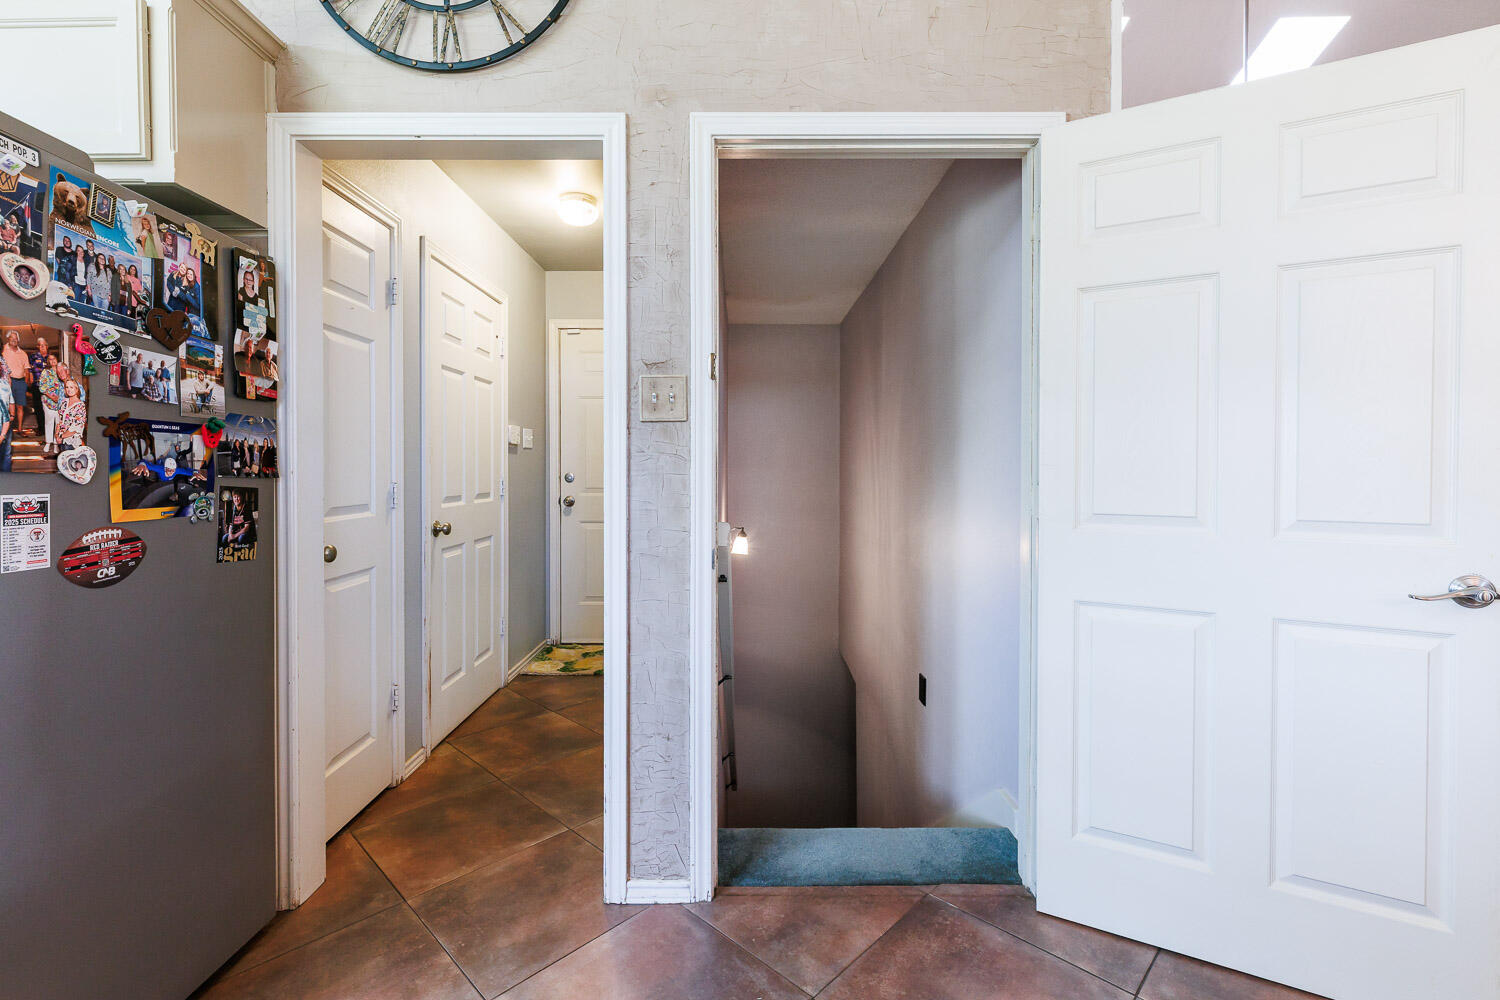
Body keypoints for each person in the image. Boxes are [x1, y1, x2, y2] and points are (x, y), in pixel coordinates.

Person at [2, 330, 29, 438]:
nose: (14, 340)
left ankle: (19, 429)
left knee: (20, 406)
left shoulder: (23, 353)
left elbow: (27, 370)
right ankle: (6, 430)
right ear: (8, 339)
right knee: (6, 405)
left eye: (16, 338)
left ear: (18, 340)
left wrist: (25, 384)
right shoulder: (3, 350)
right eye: (12, 338)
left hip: (20, 382)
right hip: (6, 382)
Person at [36, 354, 62, 455]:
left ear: (57, 359)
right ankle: (48, 442)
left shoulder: (61, 371)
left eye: (54, 358)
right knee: (49, 421)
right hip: (48, 400)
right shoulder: (46, 372)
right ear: (48, 362)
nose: (52, 361)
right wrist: (51, 397)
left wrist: (59, 398)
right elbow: (42, 387)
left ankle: (56, 444)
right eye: (50, 359)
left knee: (58, 422)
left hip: (60, 400)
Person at [27, 336, 50, 437]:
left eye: (44, 345)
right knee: (38, 407)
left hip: (48, 387)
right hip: (36, 385)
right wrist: (29, 377)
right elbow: (29, 369)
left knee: (47, 408)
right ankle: (41, 428)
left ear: (47, 346)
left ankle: (48, 428)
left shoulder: (50, 357)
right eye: (40, 345)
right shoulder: (33, 357)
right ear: (38, 347)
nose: (42, 347)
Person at [55, 379, 85, 449]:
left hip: (71, 442)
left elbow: (77, 426)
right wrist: (56, 435)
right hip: (61, 440)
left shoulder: (80, 406)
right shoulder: (64, 402)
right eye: (67, 387)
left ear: (76, 389)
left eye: (71, 387)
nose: (69, 390)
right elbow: (59, 420)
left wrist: (62, 436)